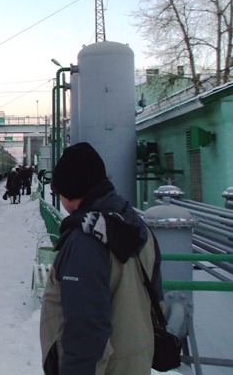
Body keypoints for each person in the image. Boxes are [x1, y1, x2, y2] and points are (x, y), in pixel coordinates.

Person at [40, 142, 162, 375]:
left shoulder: (85, 243)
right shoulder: (137, 226)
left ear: (69, 193)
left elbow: (85, 335)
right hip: (136, 360)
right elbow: (157, 300)